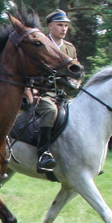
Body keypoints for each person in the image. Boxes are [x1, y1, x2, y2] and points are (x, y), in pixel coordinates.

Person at [34, 9, 79, 173]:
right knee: (50, 111)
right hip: (41, 93)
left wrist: (76, 81)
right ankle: (42, 153)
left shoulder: (69, 48)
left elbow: (77, 70)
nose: (64, 29)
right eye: (60, 25)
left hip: (63, 95)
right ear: (50, 26)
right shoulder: (40, 44)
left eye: (66, 26)